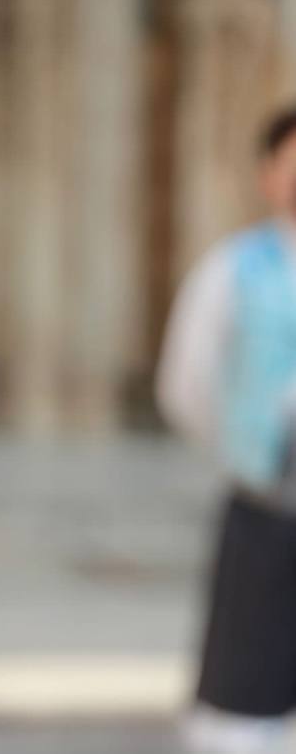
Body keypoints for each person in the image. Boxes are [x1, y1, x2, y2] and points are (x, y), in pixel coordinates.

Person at [158, 105, 296, 753]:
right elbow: (187, 381)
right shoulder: (233, 269)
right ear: (269, 173)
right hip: (265, 507)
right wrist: (246, 447)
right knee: (243, 698)